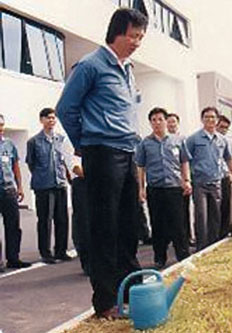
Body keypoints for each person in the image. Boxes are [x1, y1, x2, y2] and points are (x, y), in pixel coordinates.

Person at [56, 8, 148, 318]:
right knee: (104, 228)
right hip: (102, 153)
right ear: (117, 33)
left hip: (127, 151)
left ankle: (132, 289)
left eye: (141, 37)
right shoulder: (90, 66)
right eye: (133, 36)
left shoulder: (127, 68)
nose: (137, 42)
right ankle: (106, 301)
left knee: (128, 224)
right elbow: (66, 109)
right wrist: (86, 145)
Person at [136, 108, 191, 269]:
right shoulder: (145, 143)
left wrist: (186, 180)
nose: (157, 123)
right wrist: (141, 188)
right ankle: (159, 257)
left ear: (166, 121)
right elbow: (140, 167)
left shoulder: (178, 141)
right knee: (158, 224)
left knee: (178, 223)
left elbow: (184, 162)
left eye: (160, 119)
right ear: (150, 123)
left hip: (174, 188)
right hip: (155, 189)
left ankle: (183, 254)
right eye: (153, 120)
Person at [186, 107, 232, 251]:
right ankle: (201, 246)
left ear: (217, 120)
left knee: (215, 215)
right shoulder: (193, 139)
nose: (210, 120)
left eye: (213, 117)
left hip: (216, 183)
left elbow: (229, 159)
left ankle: (213, 245)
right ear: (202, 119)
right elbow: (184, 159)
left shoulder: (222, 140)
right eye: (207, 117)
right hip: (199, 183)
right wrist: (186, 179)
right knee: (201, 215)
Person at [26, 108, 71, 265]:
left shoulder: (60, 139)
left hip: (60, 184)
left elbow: (65, 161)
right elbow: (31, 164)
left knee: (62, 219)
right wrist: (42, 176)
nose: (51, 121)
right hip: (43, 186)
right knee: (45, 220)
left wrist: (66, 178)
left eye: (53, 118)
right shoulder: (34, 141)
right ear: (41, 120)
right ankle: (45, 252)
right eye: (48, 118)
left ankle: (61, 250)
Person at [0, 114, 31, 270]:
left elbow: (15, 167)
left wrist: (19, 187)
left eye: (2, 125)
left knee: (13, 226)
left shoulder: (9, 145)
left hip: (8, 190)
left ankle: (13, 258)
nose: (0, 128)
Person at [166, 113, 194, 246]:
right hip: (167, 183)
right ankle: (173, 238)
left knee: (184, 212)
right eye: (169, 122)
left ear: (178, 124)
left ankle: (187, 237)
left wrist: (187, 180)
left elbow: (186, 161)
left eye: (173, 122)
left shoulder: (184, 140)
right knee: (170, 213)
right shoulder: (163, 140)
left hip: (181, 182)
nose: (171, 124)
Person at [215, 115, 232, 239]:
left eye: (226, 128)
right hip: (212, 178)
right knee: (214, 208)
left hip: (225, 176)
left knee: (226, 205)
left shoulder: (228, 141)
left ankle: (224, 232)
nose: (223, 130)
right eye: (221, 127)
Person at [69, 157, 89, 275]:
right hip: (81, 182)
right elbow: (76, 169)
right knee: (84, 224)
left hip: (96, 180)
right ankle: (88, 263)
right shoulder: (68, 143)